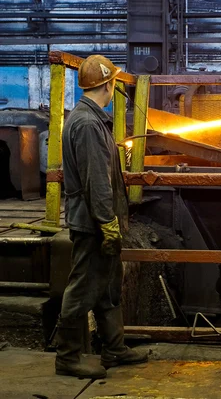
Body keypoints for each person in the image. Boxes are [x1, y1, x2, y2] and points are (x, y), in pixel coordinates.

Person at [56, 54, 148, 378]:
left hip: (100, 222)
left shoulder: (90, 119)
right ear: (108, 86)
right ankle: (67, 357)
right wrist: (108, 226)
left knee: (109, 286)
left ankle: (114, 348)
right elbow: (97, 181)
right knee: (83, 288)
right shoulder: (88, 124)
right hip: (93, 225)